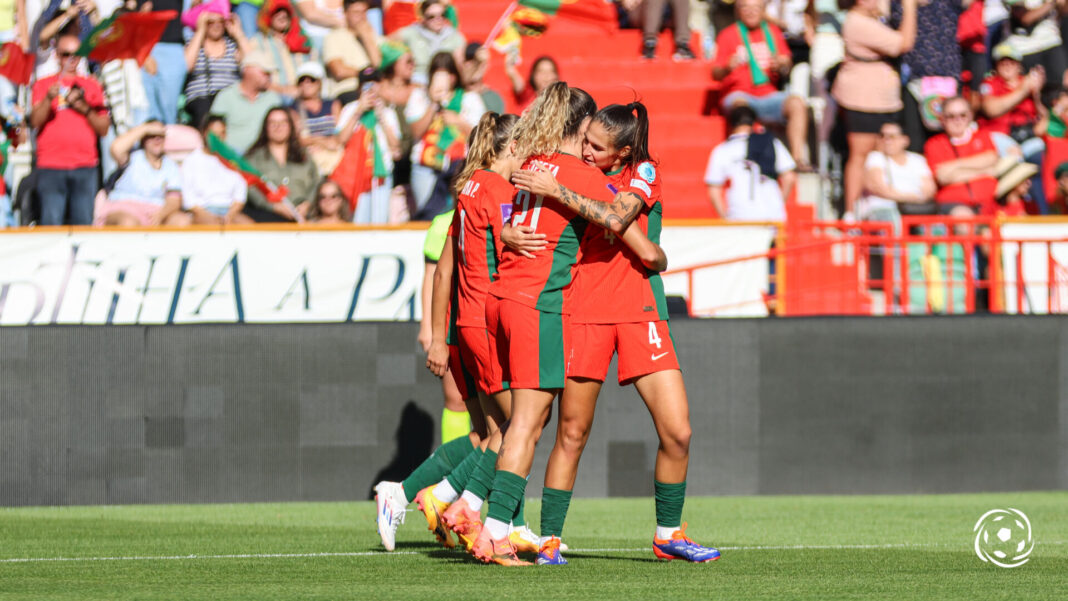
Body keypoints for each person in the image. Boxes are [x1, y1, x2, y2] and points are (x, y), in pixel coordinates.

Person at [508, 103, 719, 565]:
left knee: (678, 431)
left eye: (597, 147)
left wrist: (559, 189)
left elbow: (618, 217)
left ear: (623, 152)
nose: (586, 150)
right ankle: (550, 541)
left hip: (642, 311)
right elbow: (526, 216)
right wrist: (510, 233)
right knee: (572, 431)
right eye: (584, 140)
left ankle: (668, 534)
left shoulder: (644, 171)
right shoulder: (575, 172)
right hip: (584, 307)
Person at [460, 82, 610, 567]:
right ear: (583, 125)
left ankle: (488, 520)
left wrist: (505, 230)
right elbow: (618, 215)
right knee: (526, 421)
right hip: (538, 303)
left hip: (501, 297)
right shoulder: (576, 173)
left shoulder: (530, 164)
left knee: (522, 420)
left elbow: (507, 223)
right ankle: (494, 531)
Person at [418, 113, 545, 556]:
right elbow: (509, 236)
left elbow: (457, 259)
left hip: (468, 320)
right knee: (523, 423)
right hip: (488, 318)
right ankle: (452, 499)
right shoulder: (498, 189)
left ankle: (502, 522)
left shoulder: (469, 187)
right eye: (526, 148)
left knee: (497, 428)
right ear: (511, 149)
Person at [833, 0, 916, 217]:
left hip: (882, 99)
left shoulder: (870, 18)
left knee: (880, 154)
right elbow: (903, 43)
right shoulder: (857, 22)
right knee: (861, 155)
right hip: (863, 99)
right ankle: (851, 213)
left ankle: (875, 206)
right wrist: (910, 6)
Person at [711, 0, 809, 167]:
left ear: (764, 11)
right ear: (738, 11)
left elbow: (787, 61)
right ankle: (741, 161)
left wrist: (782, 63)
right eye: (746, 8)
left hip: (768, 93)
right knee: (741, 108)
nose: (751, 12)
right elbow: (715, 73)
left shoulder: (773, 32)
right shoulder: (728, 35)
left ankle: (797, 160)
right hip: (739, 94)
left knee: (797, 103)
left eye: (756, 8)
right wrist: (728, 67)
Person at [29, 33, 109, 225]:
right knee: (51, 225)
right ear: (57, 55)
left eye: (77, 54)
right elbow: (35, 121)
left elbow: (104, 128)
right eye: (66, 54)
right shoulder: (43, 85)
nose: (71, 60)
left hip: (85, 166)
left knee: (83, 227)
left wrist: (85, 109)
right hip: (51, 165)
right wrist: (48, 99)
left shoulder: (92, 85)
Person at [405, 51, 485, 220]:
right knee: (427, 215)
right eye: (437, 75)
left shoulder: (469, 98)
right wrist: (433, 104)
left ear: (454, 77)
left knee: (456, 215)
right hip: (425, 167)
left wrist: (459, 122)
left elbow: (482, 135)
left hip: (458, 167)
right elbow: (416, 131)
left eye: (446, 75)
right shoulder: (419, 97)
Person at [980, 42, 1048, 212]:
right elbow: (992, 109)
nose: (1007, 65)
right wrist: (1023, 90)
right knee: (1014, 163)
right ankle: (1012, 210)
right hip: (998, 135)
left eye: (1011, 61)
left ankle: (1040, 213)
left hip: (1026, 136)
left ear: (1019, 64)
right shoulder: (990, 84)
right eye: (1002, 62)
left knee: (1037, 159)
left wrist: (1036, 93)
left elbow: (1042, 120)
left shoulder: (1027, 83)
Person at [333, 67, 403, 223]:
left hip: (381, 175)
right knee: (358, 220)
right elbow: (341, 139)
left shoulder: (388, 112)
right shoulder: (350, 109)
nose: (371, 88)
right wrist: (358, 112)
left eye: (374, 83)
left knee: (380, 221)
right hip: (356, 174)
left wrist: (381, 117)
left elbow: (395, 144)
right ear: (359, 87)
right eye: (366, 84)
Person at [704, 105, 796, 221]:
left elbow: (714, 190)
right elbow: (789, 177)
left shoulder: (722, 150)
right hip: (773, 215)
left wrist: (725, 217)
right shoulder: (771, 142)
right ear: (754, 123)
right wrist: (779, 203)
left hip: (740, 215)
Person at [95, 120, 183, 226]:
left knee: (181, 221)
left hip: (156, 211)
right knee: (128, 223)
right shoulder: (131, 158)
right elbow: (115, 149)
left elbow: (174, 200)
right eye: (151, 135)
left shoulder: (171, 166)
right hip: (123, 209)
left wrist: (161, 214)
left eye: (161, 135)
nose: (157, 139)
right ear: (143, 138)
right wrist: (145, 128)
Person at [924, 95, 1000, 217]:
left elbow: (991, 158)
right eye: (951, 116)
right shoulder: (934, 144)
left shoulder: (982, 136)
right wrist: (985, 171)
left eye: (962, 115)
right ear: (942, 119)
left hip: (990, 203)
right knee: (964, 219)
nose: (957, 120)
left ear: (970, 116)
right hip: (954, 204)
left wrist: (954, 166)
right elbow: (943, 177)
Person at [242, 106, 320, 221]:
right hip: (266, 217)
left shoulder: (304, 157)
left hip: (304, 218)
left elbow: (316, 183)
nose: (278, 127)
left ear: (290, 126)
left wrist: (307, 205)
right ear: (265, 127)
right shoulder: (253, 158)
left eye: (283, 123)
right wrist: (274, 207)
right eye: (273, 123)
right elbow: (250, 187)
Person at [174, 115, 253, 225]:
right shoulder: (191, 160)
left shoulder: (233, 159)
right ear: (204, 133)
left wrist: (229, 215)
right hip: (202, 211)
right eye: (214, 134)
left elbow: (240, 194)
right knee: (213, 227)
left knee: (250, 227)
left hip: (229, 211)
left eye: (222, 133)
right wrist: (207, 216)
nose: (218, 138)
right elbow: (188, 198)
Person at [185, 10, 250, 128]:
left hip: (229, 98)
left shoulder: (232, 46)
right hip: (202, 98)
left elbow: (252, 63)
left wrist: (238, 33)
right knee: (205, 112)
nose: (216, 25)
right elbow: (187, 66)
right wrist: (200, 31)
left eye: (221, 21)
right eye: (211, 22)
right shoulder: (194, 44)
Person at [209, 50, 283, 154]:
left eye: (269, 74)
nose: (268, 77)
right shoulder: (226, 96)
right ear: (247, 70)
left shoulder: (273, 99)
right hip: (233, 157)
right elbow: (214, 133)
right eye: (265, 72)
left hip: (264, 157)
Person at [860, 121, 937, 221]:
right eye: (882, 136)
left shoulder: (917, 160)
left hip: (916, 210)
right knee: (891, 220)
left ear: (905, 140)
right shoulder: (875, 158)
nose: (886, 140)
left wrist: (905, 198)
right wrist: (913, 197)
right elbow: (879, 188)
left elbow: (929, 189)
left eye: (891, 136)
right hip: (884, 209)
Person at [249, 0, 318, 99]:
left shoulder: (303, 40)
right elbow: (254, 77)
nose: (282, 15)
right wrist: (282, 90)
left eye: (286, 12)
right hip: (272, 96)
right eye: (277, 12)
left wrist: (301, 90)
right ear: (268, 15)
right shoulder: (258, 42)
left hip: (303, 96)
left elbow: (315, 70)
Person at [392, 0, 464, 85]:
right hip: (417, 81)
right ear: (423, 18)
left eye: (442, 15)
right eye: (432, 16)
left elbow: (460, 67)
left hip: (444, 82)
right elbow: (387, 43)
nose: (438, 19)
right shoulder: (412, 32)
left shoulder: (454, 36)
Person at [324, 0, 382, 104]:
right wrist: (366, 75)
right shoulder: (335, 36)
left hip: (376, 90)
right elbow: (339, 71)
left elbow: (379, 65)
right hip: (349, 91)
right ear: (346, 14)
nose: (361, 16)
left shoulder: (373, 37)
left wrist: (366, 39)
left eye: (364, 12)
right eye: (356, 12)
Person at [290, 62, 342, 174]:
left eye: (311, 79)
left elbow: (340, 135)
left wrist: (312, 140)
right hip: (310, 160)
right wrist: (324, 142)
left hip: (334, 159)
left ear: (320, 83)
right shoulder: (293, 109)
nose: (306, 83)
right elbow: (299, 139)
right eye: (302, 80)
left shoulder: (333, 104)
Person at [138, 0, 186, 123]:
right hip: (147, 45)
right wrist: (145, 52)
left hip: (174, 47)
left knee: (169, 109)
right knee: (149, 109)